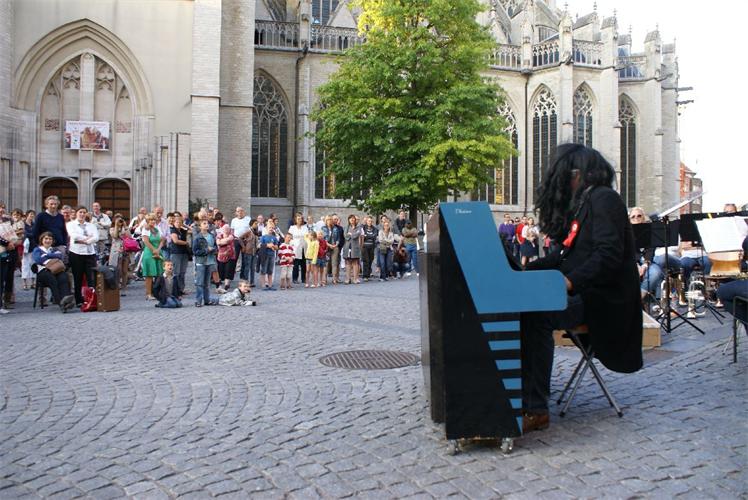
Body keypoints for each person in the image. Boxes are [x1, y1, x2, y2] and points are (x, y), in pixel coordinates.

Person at [521, 144, 643, 433]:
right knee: (524, 307)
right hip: (586, 292)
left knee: (536, 315)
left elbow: (607, 255)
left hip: (604, 300)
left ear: (577, 175)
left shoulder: (605, 199)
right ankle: (523, 391)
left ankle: (535, 408)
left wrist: (569, 281)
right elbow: (564, 255)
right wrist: (525, 271)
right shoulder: (585, 203)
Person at [31, 232, 76, 312]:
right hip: (43, 272)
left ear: (52, 241)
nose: (48, 241)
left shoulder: (55, 249)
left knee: (63, 277)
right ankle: (61, 302)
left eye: (50, 239)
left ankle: (66, 299)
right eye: (46, 239)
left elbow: (59, 256)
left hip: (56, 270)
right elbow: (38, 260)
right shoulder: (37, 249)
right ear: (42, 240)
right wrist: (52, 257)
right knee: (52, 279)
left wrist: (45, 256)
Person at [628, 207, 664, 306]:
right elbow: (628, 251)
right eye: (633, 217)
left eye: (639, 216)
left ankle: (637, 300)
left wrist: (645, 265)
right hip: (631, 261)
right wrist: (635, 264)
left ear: (643, 218)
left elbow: (650, 250)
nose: (636, 218)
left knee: (656, 272)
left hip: (648, 261)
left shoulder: (650, 231)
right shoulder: (626, 233)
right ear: (629, 220)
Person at [66, 206, 98, 307]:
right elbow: (74, 236)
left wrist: (86, 241)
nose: (82, 214)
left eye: (84, 212)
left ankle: (92, 299)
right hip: (76, 253)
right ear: (76, 213)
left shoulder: (91, 225)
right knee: (78, 277)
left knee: (91, 277)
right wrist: (88, 238)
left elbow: (96, 237)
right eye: (80, 212)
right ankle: (79, 300)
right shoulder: (70, 224)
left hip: (90, 253)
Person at [192, 219, 219, 306]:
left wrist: (213, 250)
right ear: (200, 226)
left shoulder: (211, 236)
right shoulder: (197, 237)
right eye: (204, 223)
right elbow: (195, 251)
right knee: (200, 283)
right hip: (201, 262)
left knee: (207, 283)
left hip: (210, 261)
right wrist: (206, 250)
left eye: (207, 223)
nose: (207, 225)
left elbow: (216, 247)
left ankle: (207, 300)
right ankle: (198, 301)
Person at [140, 213, 165, 300]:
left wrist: (158, 249)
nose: (152, 221)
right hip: (149, 253)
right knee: (149, 274)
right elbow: (146, 241)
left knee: (159, 273)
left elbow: (162, 240)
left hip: (158, 251)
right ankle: (148, 294)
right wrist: (154, 250)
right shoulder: (145, 229)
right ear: (147, 221)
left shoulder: (157, 228)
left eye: (154, 220)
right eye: (150, 220)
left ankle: (157, 292)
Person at [108, 216, 131, 294]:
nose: (120, 222)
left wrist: (125, 226)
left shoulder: (125, 228)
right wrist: (116, 226)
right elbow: (115, 236)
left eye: (121, 220)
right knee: (118, 269)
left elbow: (129, 236)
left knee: (125, 270)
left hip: (125, 250)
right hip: (116, 250)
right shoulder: (112, 229)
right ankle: (118, 284)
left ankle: (124, 286)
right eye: (118, 221)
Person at [169, 213, 190, 292]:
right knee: (176, 272)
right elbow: (176, 241)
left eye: (180, 222)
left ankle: (181, 289)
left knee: (182, 272)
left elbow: (192, 230)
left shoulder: (183, 230)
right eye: (176, 222)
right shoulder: (172, 230)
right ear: (174, 223)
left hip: (184, 253)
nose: (178, 223)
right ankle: (175, 290)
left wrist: (184, 225)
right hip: (176, 253)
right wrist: (186, 243)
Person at [288, 212, 309, 285]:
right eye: (298, 219)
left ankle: (304, 278)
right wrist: (291, 244)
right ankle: (295, 278)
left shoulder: (305, 227)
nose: (300, 220)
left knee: (304, 264)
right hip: (295, 247)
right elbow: (289, 237)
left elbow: (307, 237)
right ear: (295, 220)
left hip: (304, 247)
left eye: (301, 219)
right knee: (296, 264)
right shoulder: (292, 227)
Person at [216, 224, 237, 293]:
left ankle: (226, 285)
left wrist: (221, 241)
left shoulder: (231, 235)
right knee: (221, 270)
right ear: (222, 230)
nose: (226, 230)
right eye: (225, 229)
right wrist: (222, 241)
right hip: (221, 256)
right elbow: (218, 243)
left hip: (231, 256)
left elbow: (226, 241)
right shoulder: (219, 235)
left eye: (228, 229)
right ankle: (219, 285)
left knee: (228, 270)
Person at [259, 219, 279, 290]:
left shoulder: (274, 238)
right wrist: (268, 245)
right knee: (263, 270)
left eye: (272, 228)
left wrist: (273, 246)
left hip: (272, 255)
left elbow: (277, 247)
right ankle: (263, 285)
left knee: (270, 271)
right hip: (265, 255)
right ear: (266, 228)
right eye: (269, 227)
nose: (271, 229)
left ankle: (270, 285)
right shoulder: (263, 237)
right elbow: (260, 245)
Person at [342, 214, 362, 284]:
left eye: (353, 219)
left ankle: (355, 279)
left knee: (355, 262)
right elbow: (345, 236)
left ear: (355, 220)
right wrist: (351, 235)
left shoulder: (359, 227)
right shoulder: (346, 227)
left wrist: (351, 234)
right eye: (350, 219)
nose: (352, 220)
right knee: (348, 263)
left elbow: (357, 235)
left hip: (355, 248)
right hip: (347, 247)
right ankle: (348, 279)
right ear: (348, 220)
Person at [239, 219, 259, 286]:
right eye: (255, 223)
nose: (256, 225)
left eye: (257, 224)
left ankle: (252, 282)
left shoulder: (256, 232)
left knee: (253, 268)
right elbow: (239, 238)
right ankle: (246, 281)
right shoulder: (248, 231)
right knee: (247, 267)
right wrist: (243, 247)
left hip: (254, 252)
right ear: (251, 224)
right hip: (248, 251)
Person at [21, 210, 36, 290]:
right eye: (30, 214)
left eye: (33, 215)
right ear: (27, 215)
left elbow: (36, 233)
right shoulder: (23, 224)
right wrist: (32, 234)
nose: (32, 216)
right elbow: (24, 233)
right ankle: (25, 283)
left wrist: (31, 234)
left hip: (33, 246)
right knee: (25, 264)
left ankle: (33, 283)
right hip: (25, 247)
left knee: (33, 264)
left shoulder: (34, 224)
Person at [361, 216, 377, 281]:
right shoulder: (363, 228)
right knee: (366, 261)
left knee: (370, 260)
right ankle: (365, 276)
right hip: (365, 247)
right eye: (368, 221)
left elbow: (374, 236)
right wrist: (369, 236)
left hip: (372, 246)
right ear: (366, 221)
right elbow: (362, 236)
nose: (370, 222)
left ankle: (368, 274)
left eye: (371, 221)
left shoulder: (374, 228)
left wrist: (366, 236)